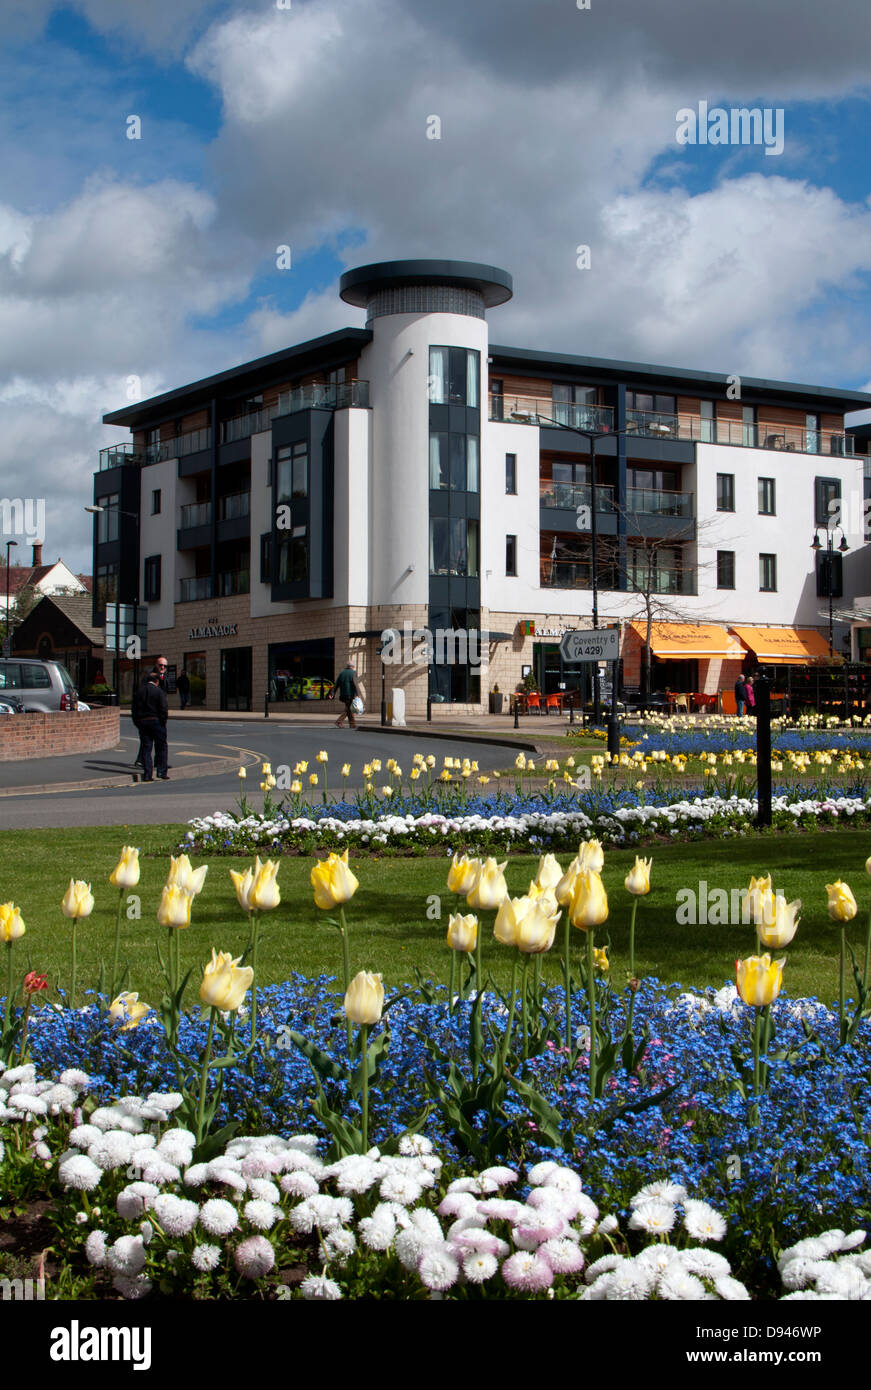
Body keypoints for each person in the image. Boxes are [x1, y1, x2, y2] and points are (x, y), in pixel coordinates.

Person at [132, 669, 169, 781]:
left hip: (143, 722)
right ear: (156, 681)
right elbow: (163, 709)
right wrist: (162, 722)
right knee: (161, 747)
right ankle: (162, 772)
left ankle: (148, 774)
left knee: (146, 748)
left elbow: (134, 711)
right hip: (156, 721)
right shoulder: (159, 692)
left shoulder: (139, 692)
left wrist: (138, 723)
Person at [330, 662, 360, 729]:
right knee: (348, 709)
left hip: (343, 695)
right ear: (353, 667)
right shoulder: (353, 673)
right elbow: (355, 684)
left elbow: (336, 684)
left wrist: (332, 693)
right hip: (350, 694)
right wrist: (358, 694)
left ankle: (352, 724)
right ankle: (339, 721)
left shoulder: (342, 673)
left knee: (349, 708)